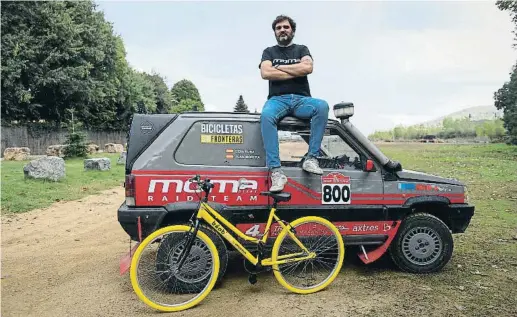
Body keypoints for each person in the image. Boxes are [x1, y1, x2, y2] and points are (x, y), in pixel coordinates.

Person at [259, 14, 329, 192]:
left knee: (322, 106)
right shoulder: (269, 51)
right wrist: (295, 70)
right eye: (278, 28)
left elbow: (308, 68)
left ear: (292, 30)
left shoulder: (302, 49)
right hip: (277, 100)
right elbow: (266, 73)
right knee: (266, 115)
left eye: (286, 27)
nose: (282, 30)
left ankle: (311, 158)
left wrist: (278, 68)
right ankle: (276, 171)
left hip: (301, 100)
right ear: (275, 32)